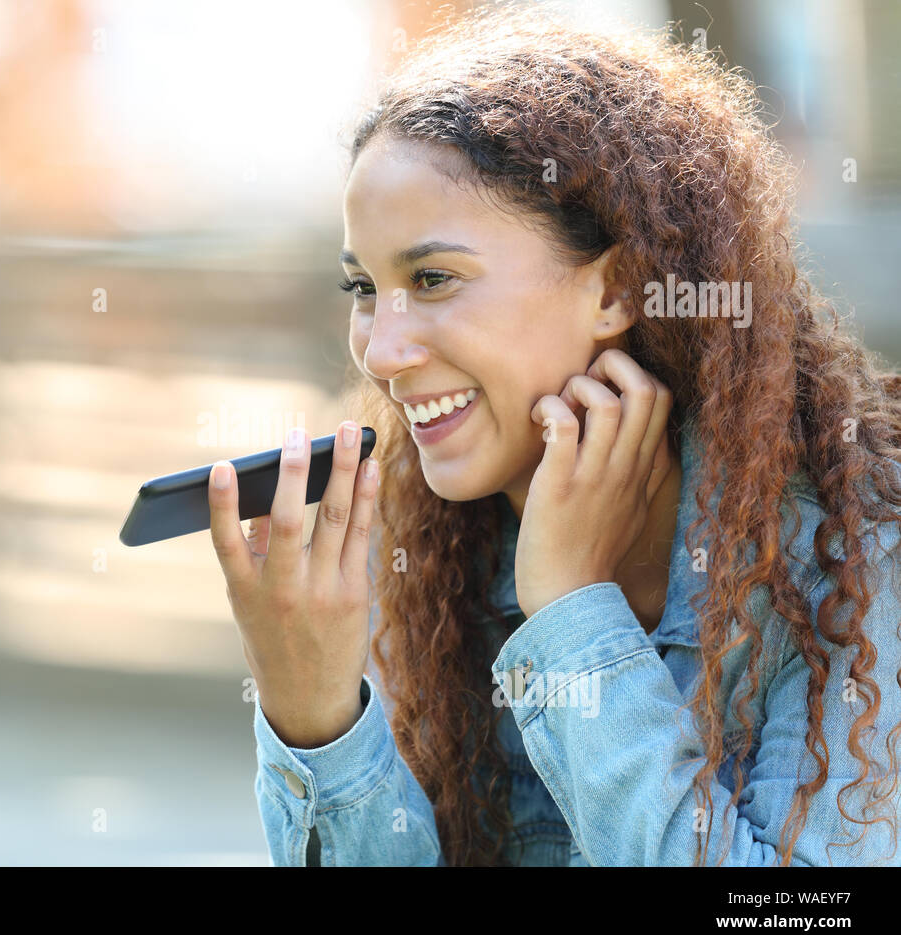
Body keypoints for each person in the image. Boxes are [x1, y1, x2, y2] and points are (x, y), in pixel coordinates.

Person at [206, 4, 901, 866]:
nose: (381, 352)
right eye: (361, 288)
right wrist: (315, 716)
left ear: (614, 290)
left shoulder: (851, 560)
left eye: (432, 278)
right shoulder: (429, 553)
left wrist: (572, 614)